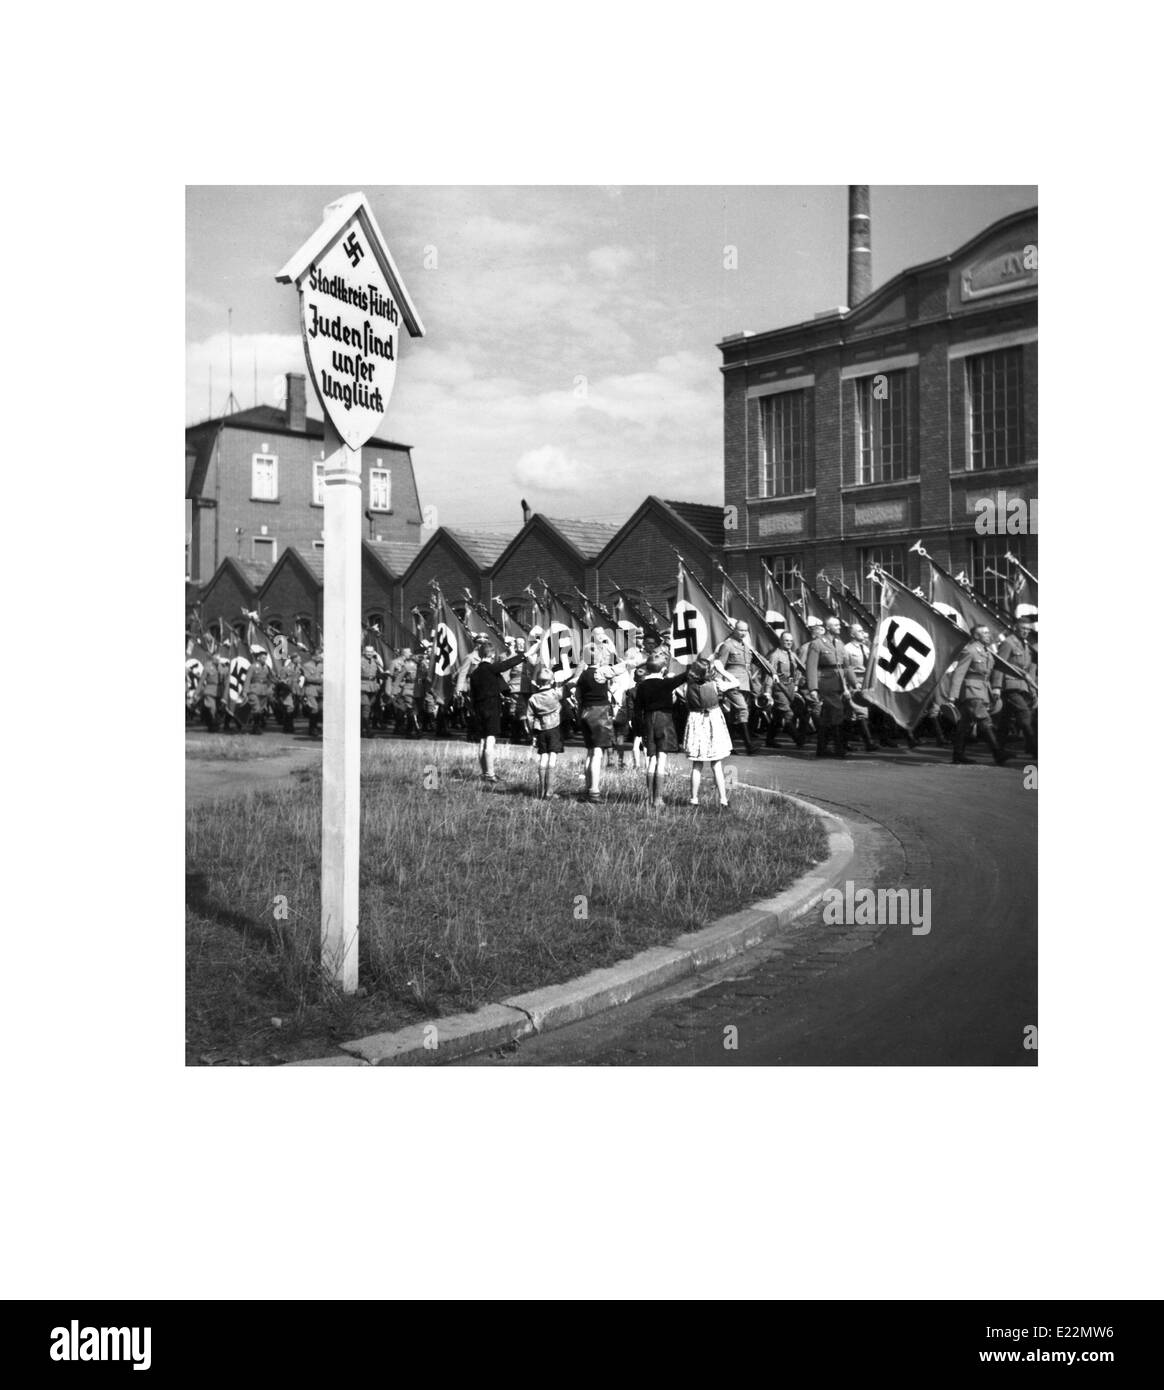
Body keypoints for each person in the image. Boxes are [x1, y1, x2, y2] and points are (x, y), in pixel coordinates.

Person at [468, 635, 530, 784]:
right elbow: (507, 665)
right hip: (491, 707)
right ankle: (490, 774)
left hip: (478, 708)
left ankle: (484, 772)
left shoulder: (475, 673)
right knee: (490, 740)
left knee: (482, 742)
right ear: (492, 655)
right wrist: (524, 655)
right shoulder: (492, 669)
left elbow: (475, 692)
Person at [949, 624, 1011, 766]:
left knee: (964, 724)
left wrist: (995, 688)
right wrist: (952, 696)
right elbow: (959, 674)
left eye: (988, 632)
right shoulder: (970, 651)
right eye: (985, 633)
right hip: (971, 691)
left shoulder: (987, 652)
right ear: (976, 636)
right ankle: (998, 753)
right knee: (984, 719)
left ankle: (957, 755)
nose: (989, 635)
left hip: (983, 690)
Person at [634, 650, 689, 807]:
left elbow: (637, 710)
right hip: (664, 720)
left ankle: (649, 797)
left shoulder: (642, 686)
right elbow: (685, 676)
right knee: (662, 759)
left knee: (651, 759)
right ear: (663, 669)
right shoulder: (666, 683)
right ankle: (658, 799)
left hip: (648, 720)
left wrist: (639, 729)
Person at [572, 641, 623, 804]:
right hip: (600, 714)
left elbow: (578, 697)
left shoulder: (583, 676)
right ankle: (594, 791)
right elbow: (621, 668)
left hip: (585, 712)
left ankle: (587, 789)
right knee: (598, 753)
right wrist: (618, 656)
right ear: (600, 658)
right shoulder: (601, 672)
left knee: (590, 752)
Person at [682, 658, 738, 807]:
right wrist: (722, 670)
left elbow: (682, 696)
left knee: (697, 764)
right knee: (716, 763)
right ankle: (723, 800)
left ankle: (694, 799)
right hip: (713, 720)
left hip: (695, 720)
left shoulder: (687, 686)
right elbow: (736, 682)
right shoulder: (716, 684)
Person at [805, 617, 856, 758]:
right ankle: (839, 749)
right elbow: (811, 667)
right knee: (838, 711)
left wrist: (854, 683)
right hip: (826, 683)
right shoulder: (817, 644)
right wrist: (813, 688)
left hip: (839, 683)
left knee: (827, 718)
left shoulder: (840, 644)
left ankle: (821, 749)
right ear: (828, 627)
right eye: (836, 625)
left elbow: (846, 666)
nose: (839, 627)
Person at [992, 616, 1037, 758]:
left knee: (1005, 720)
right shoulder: (1008, 643)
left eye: (1028, 630)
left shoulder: (1026, 646)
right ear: (1016, 627)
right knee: (1024, 713)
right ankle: (1034, 748)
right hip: (1009, 685)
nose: (1026, 632)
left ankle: (998, 750)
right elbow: (999, 665)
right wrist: (996, 686)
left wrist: (1033, 689)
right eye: (1023, 628)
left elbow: (1029, 669)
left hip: (1022, 686)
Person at [713, 619, 757, 754]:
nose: (743, 633)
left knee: (734, 715)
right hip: (731, 683)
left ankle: (729, 747)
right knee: (743, 710)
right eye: (740, 630)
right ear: (734, 629)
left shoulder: (746, 646)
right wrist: (719, 688)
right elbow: (720, 665)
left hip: (744, 684)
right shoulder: (727, 645)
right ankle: (749, 746)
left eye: (745, 630)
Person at [761, 631, 807, 749]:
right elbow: (770, 672)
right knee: (787, 713)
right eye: (786, 640)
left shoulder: (792, 654)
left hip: (790, 687)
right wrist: (767, 691)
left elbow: (799, 669)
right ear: (781, 641)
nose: (789, 643)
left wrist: (797, 683)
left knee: (777, 714)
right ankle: (798, 740)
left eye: (791, 641)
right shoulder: (775, 655)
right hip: (779, 687)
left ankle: (769, 740)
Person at [526, 663, 564, 799]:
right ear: (552, 681)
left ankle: (541, 791)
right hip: (554, 728)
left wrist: (532, 732)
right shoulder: (555, 694)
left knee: (543, 757)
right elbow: (566, 688)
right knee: (552, 757)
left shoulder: (533, 698)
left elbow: (529, 718)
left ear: (537, 682)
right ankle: (550, 791)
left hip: (540, 729)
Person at [842, 624, 877, 752]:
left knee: (851, 715)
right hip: (854, 682)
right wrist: (850, 685)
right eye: (860, 631)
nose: (863, 633)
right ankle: (869, 742)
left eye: (863, 631)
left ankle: (843, 742)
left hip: (865, 684)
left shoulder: (866, 648)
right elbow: (846, 669)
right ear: (852, 634)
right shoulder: (847, 649)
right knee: (861, 712)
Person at [243, 646, 274, 735]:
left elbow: (271, 678)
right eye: (263, 658)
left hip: (263, 691)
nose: (265, 659)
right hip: (254, 689)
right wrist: (245, 691)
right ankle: (256, 728)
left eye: (265, 658)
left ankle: (256, 727)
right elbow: (248, 679)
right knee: (256, 708)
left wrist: (271, 688)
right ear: (258, 658)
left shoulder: (267, 668)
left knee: (260, 710)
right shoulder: (253, 667)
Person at [301, 649, 323, 737]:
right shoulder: (306, 666)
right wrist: (321, 680)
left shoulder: (322, 665)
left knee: (320, 709)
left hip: (321, 689)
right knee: (314, 708)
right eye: (318, 655)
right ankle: (312, 728)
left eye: (321, 655)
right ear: (313, 656)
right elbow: (308, 678)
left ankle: (316, 726)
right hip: (311, 688)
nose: (320, 657)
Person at [360, 645, 380, 738]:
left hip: (372, 686)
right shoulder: (359, 661)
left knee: (367, 709)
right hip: (362, 686)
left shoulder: (375, 661)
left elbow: (377, 672)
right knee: (366, 707)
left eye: (371, 652)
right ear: (364, 652)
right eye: (367, 652)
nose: (369, 654)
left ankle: (360, 730)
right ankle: (368, 731)